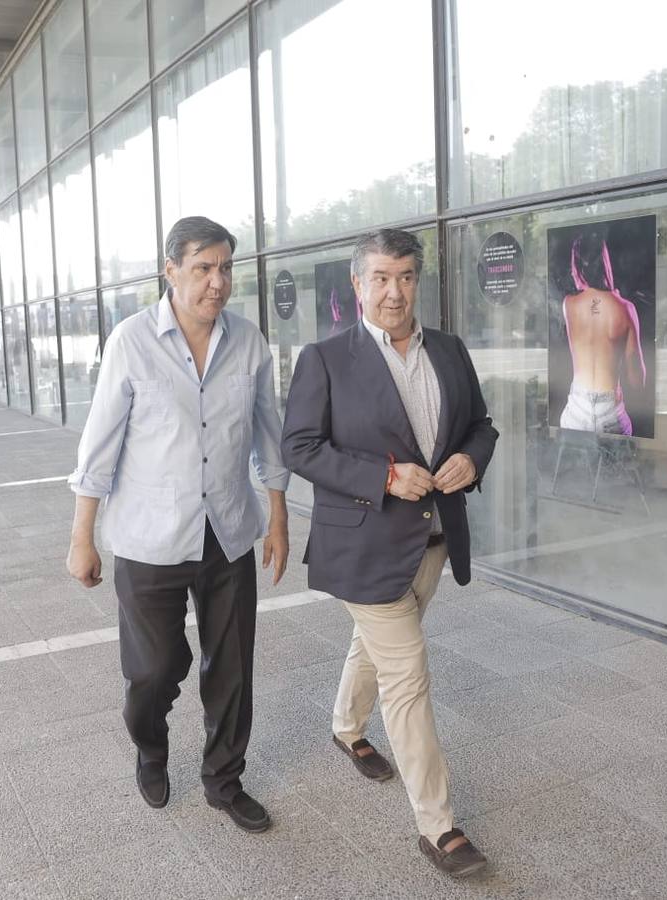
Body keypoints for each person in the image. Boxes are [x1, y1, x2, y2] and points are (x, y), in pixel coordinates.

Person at [281, 228, 498, 878]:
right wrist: (382, 475)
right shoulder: (325, 359)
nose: (394, 291)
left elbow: (481, 425)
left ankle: (346, 727)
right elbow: (301, 448)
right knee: (407, 674)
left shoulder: (451, 350)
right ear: (357, 286)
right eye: (380, 277)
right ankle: (439, 828)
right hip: (364, 544)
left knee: (373, 647)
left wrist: (469, 459)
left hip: (433, 542)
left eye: (405, 277)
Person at [66, 216, 290, 833]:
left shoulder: (248, 342)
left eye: (224, 268)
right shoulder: (131, 342)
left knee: (234, 665)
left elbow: (269, 435)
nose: (217, 282)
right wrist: (81, 537)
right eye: (203, 268)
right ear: (170, 271)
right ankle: (151, 748)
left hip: (227, 529)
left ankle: (224, 779)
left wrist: (277, 517)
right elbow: (99, 446)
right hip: (148, 537)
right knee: (154, 670)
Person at [558, 231, 647, 435]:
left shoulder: (568, 305)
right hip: (610, 413)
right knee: (619, 466)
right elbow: (637, 380)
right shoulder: (626, 309)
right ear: (605, 262)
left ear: (577, 266)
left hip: (577, 409)